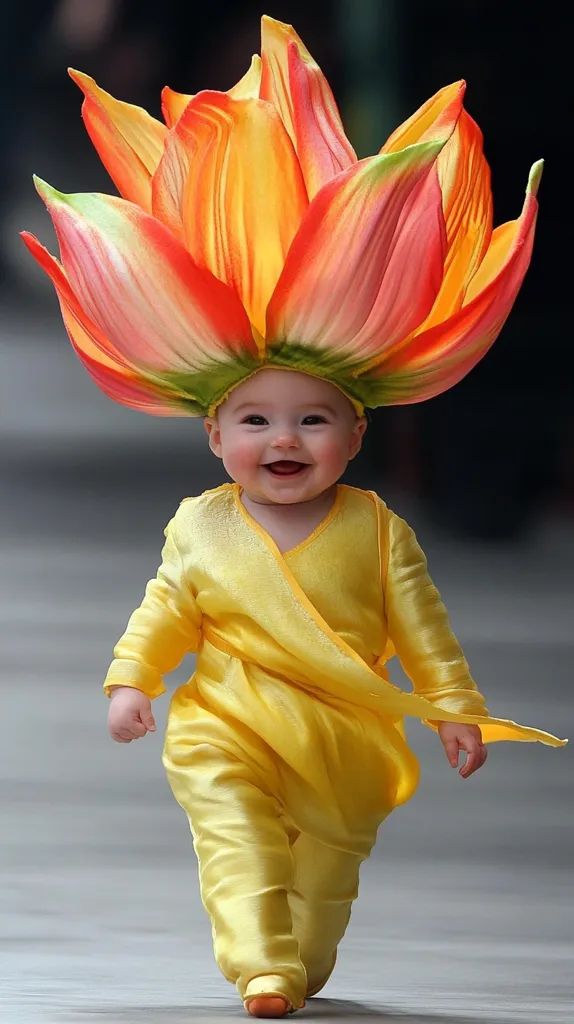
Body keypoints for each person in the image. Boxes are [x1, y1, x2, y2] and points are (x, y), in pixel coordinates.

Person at [21, 15, 566, 1019]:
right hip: (224, 722)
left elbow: (421, 629)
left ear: (357, 435)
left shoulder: (376, 531)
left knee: (327, 867)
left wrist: (452, 704)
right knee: (233, 840)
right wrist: (132, 679)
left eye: (313, 420)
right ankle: (259, 960)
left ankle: (299, 956)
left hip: (344, 737)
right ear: (212, 435)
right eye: (255, 421)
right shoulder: (201, 526)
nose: (285, 440)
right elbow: (165, 608)